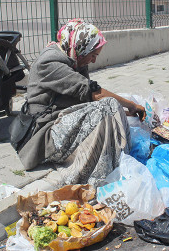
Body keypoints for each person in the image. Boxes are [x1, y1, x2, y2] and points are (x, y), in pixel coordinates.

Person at [18, 18, 146, 186]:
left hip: (61, 123)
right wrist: (132, 105)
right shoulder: (49, 62)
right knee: (109, 105)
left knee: (110, 107)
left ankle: (122, 164)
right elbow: (95, 94)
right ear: (82, 48)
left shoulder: (75, 59)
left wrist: (126, 113)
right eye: (93, 55)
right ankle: (101, 177)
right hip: (46, 135)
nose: (93, 61)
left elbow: (89, 100)